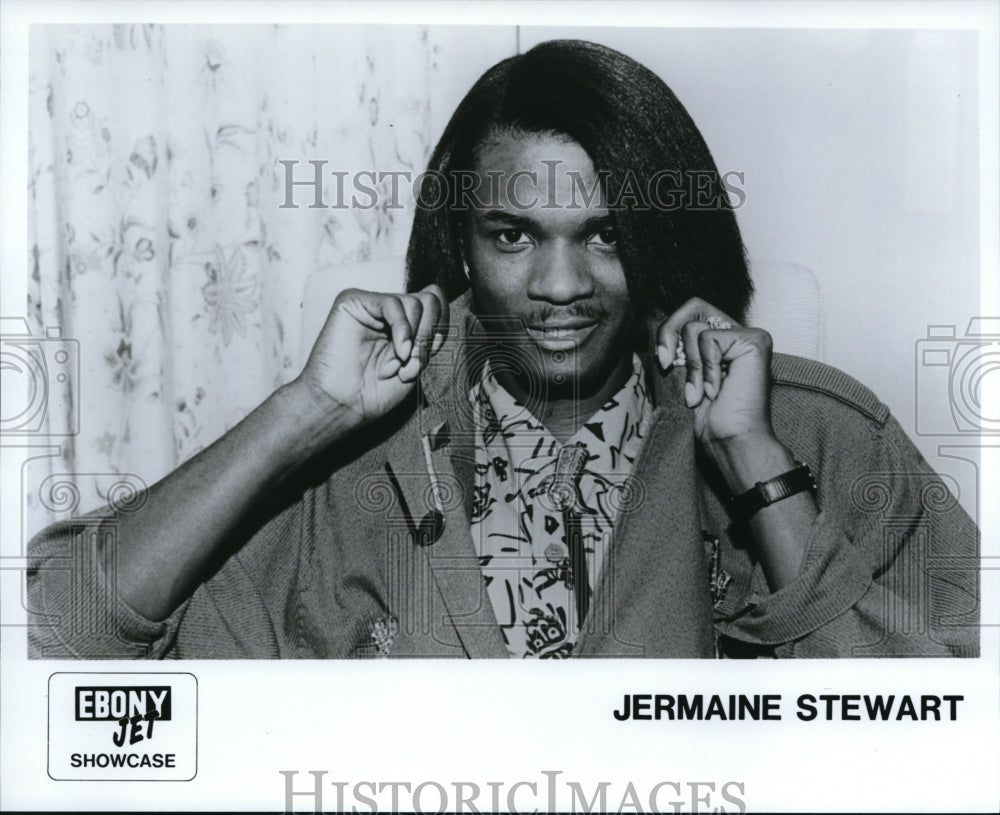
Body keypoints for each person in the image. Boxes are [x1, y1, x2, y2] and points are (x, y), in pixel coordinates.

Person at [27, 39, 979, 659]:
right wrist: (302, 414)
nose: (561, 287)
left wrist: (759, 468)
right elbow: (61, 638)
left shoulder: (818, 432)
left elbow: (949, 743)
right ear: (461, 248)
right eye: (514, 235)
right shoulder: (342, 472)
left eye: (605, 233)